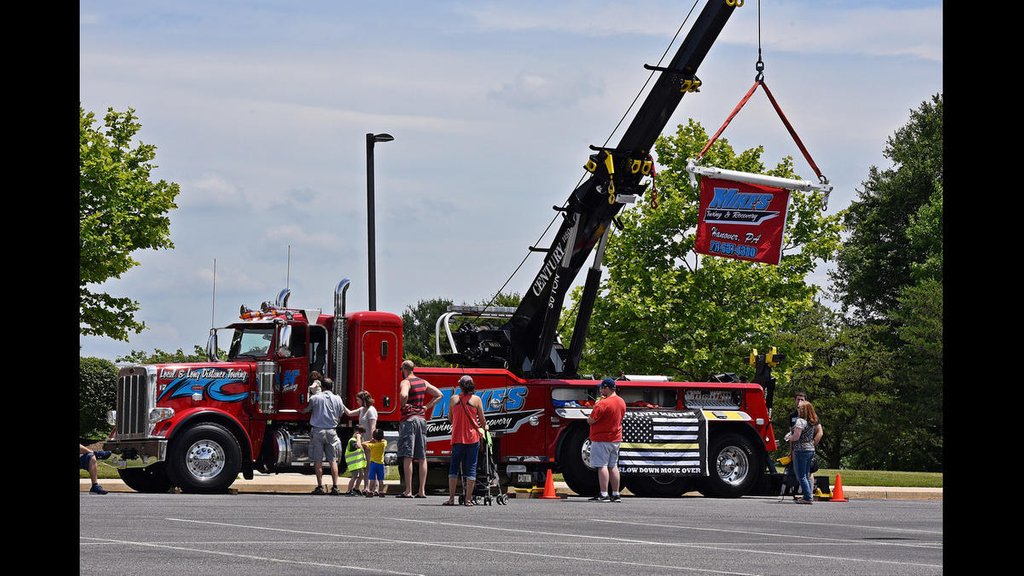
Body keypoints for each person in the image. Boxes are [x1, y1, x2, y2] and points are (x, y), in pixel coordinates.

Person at [396, 359, 442, 498]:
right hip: (422, 419)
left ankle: (408, 490)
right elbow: (439, 394)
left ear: (404, 369)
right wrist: (426, 407)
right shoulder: (423, 382)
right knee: (422, 457)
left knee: (408, 456)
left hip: (409, 419)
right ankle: (422, 491)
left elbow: (404, 394)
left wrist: (403, 404)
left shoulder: (405, 382)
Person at [444, 375, 488, 506]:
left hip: (457, 438)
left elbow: (450, 418)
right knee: (471, 468)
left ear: (461, 386)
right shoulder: (476, 400)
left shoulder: (453, 399)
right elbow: (482, 420)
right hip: (473, 438)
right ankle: (468, 499)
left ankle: (451, 498)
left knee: (454, 468)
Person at [302, 377, 346, 495]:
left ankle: (320, 486)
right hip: (332, 431)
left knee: (318, 460)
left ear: (322, 387)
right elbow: (341, 413)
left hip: (318, 431)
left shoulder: (315, 398)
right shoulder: (338, 399)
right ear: (332, 387)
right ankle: (335, 486)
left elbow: (305, 409)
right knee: (333, 460)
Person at [586, 378, 627, 503]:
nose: (600, 390)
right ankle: (615, 493)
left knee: (602, 466)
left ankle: (604, 494)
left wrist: (592, 411)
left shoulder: (603, 403)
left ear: (606, 388)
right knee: (613, 465)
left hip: (601, 438)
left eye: (601, 388)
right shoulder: (621, 401)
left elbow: (591, 420)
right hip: (615, 438)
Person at [790, 400, 821, 504]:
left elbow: (796, 436)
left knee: (801, 475)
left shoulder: (800, 421)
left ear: (803, 410)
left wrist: (789, 437)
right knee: (807, 474)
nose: (797, 410)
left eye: (799, 408)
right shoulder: (811, 421)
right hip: (810, 449)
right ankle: (808, 495)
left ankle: (807, 497)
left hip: (801, 450)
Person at [363, 428, 388, 498]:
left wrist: (371, 441)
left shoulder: (372, 446)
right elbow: (384, 440)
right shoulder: (383, 444)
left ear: (374, 437)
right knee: (380, 479)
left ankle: (370, 491)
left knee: (372, 478)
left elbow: (363, 444)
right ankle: (381, 491)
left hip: (373, 464)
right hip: (381, 463)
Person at [343, 425, 368, 495]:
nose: (362, 436)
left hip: (358, 463)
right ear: (358, 433)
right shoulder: (352, 441)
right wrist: (358, 437)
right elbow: (358, 446)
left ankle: (356, 489)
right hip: (353, 464)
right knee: (354, 476)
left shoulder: (357, 440)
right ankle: (348, 490)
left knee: (361, 476)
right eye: (362, 434)